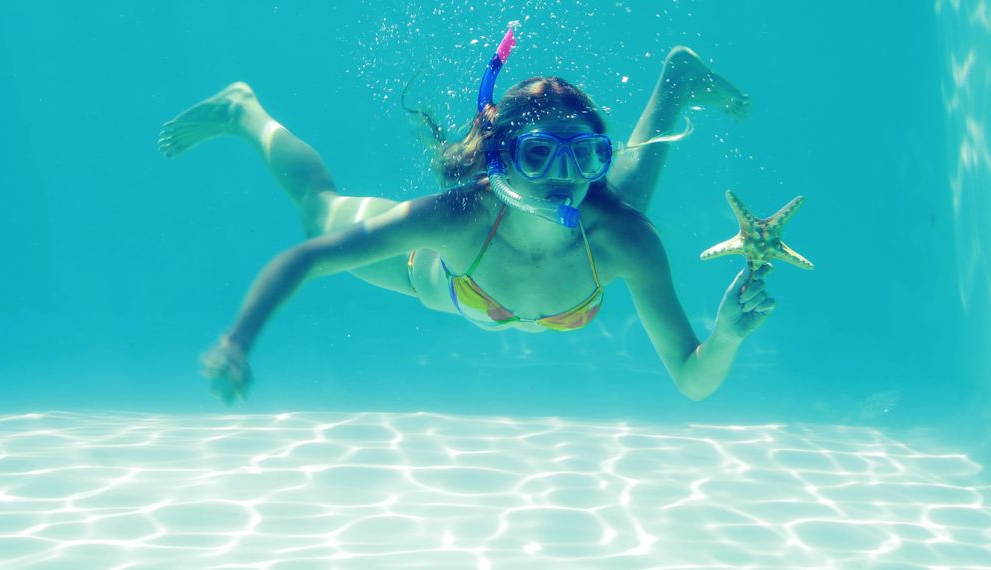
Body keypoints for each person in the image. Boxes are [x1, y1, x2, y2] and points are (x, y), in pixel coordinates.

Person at [158, 28, 772, 406]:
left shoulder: (623, 239)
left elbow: (694, 381)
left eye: (586, 155)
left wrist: (725, 337)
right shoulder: (454, 219)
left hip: (591, 240)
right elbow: (306, 261)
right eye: (539, 155)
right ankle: (244, 112)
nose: (566, 177)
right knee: (318, 210)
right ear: (502, 157)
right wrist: (238, 341)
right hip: (427, 275)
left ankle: (676, 82)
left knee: (622, 203)